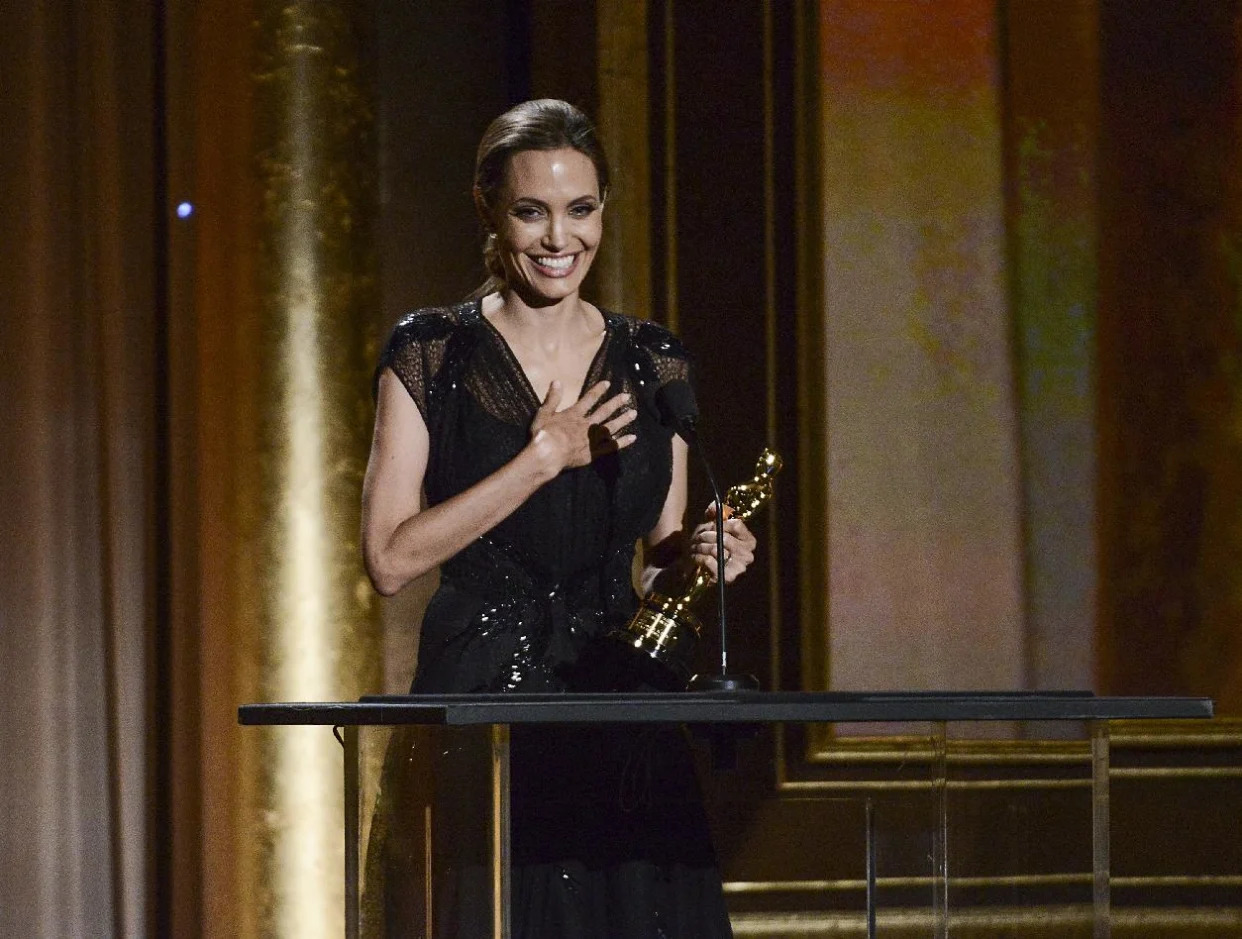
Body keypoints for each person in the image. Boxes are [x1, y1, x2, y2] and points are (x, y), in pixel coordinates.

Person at [361, 98, 757, 939]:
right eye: (531, 211)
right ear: (490, 210)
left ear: (603, 211)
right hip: (482, 715)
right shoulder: (432, 354)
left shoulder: (654, 360)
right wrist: (538, 462)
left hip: (619, 722)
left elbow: (659, 562)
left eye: (580, 210)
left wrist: (706, 555)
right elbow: (391, 560)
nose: (558, 238)